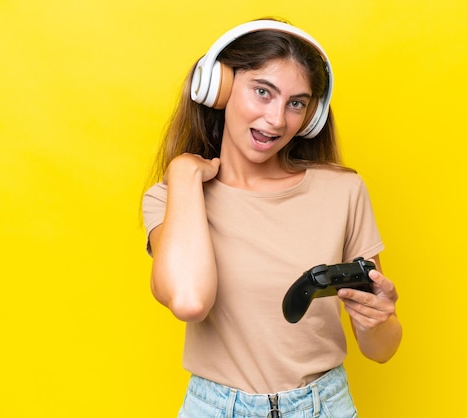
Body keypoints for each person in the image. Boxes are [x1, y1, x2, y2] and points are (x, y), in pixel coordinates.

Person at [142, 18, 402, 418]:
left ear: (311, 115)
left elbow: (382, 350)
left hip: (323, 406)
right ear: (219, 90)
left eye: (296, 103)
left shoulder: (342, 190)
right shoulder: (173, 198)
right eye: (263, 92)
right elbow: (190, 301)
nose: (277, 119)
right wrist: (184, 172)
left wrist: (378, 320)